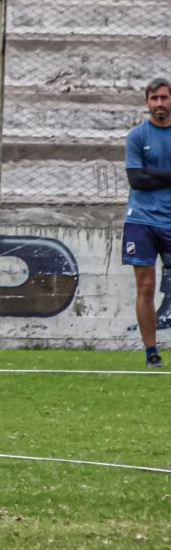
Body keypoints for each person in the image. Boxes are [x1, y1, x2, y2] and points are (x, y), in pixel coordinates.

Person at [123, 77, 171, 369]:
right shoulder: (137, 136)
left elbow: (146, 176)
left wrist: (154, 176)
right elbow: (136, 180)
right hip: (141, 220)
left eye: (164, 98)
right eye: (154, 99)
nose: (160, 104)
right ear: (146, 103)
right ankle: (151, 350)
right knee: (146, 285)